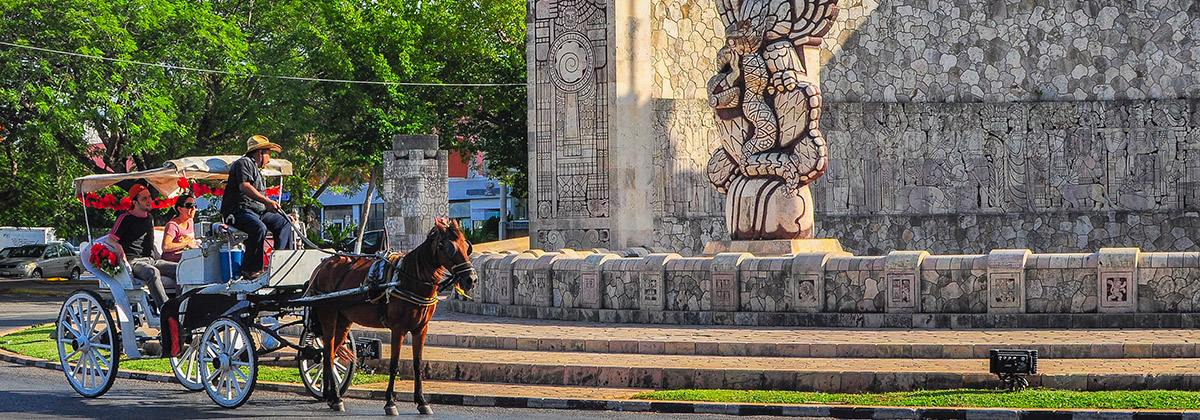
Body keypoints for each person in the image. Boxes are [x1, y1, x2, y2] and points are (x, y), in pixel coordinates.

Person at [221, 135, 294, 279]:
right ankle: (250, 270)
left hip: (256, 212)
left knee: (284, 222)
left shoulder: (256, 169)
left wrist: (272, 208)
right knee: (258, 227)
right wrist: (267, 202)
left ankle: (282, 264)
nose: (269, 159)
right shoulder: (243, 163)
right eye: (268, 154)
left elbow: (259, 202)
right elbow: (244, 186)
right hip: (237, 212)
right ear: (260, 152)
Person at [98, 183, 176, 310]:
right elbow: (110, 239)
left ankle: (181, 307)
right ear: (135, 202)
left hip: (151, 260)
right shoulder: (125, 218)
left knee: (180, 269)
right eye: (144, 198)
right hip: (134, 262)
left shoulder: (149, 218)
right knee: (153, 272)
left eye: (149, 197)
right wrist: (117, 246)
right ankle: (166, 310)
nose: (149, 200)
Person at [161, 193, 199, 266]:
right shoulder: (172, 225)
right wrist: (186, 244)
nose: (193, 209)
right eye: (189, 206)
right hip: (172, 263)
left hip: (187, 260)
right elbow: (166, 246)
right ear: (180, 209)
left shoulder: (190, 221)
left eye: (195, 206)